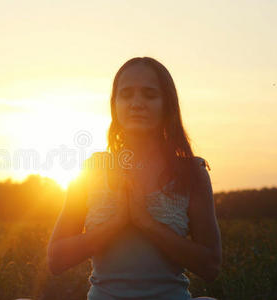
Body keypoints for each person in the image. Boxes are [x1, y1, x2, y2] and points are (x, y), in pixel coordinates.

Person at [46, 57, 222, 300]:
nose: (136, 103)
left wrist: (146, 223)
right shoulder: (92, 170)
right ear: (115, 104)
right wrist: (116, 223)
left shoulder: (192, 173)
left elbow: (210, 266)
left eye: (150, 95)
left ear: (167, 105)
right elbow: (56, 259)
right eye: (126, 94)